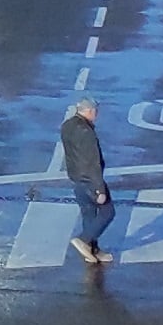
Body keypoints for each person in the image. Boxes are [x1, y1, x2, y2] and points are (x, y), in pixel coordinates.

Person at [62, 100, 116, 261]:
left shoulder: (67, 126)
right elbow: (93, 161)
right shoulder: (86, 132)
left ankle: (92, 251)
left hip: (76, 178)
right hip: (90, 180)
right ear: (90, 111)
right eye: (95, 111)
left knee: (89, 215)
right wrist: (100, 189)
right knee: (107, 212)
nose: (97, 114)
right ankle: (84, 240)